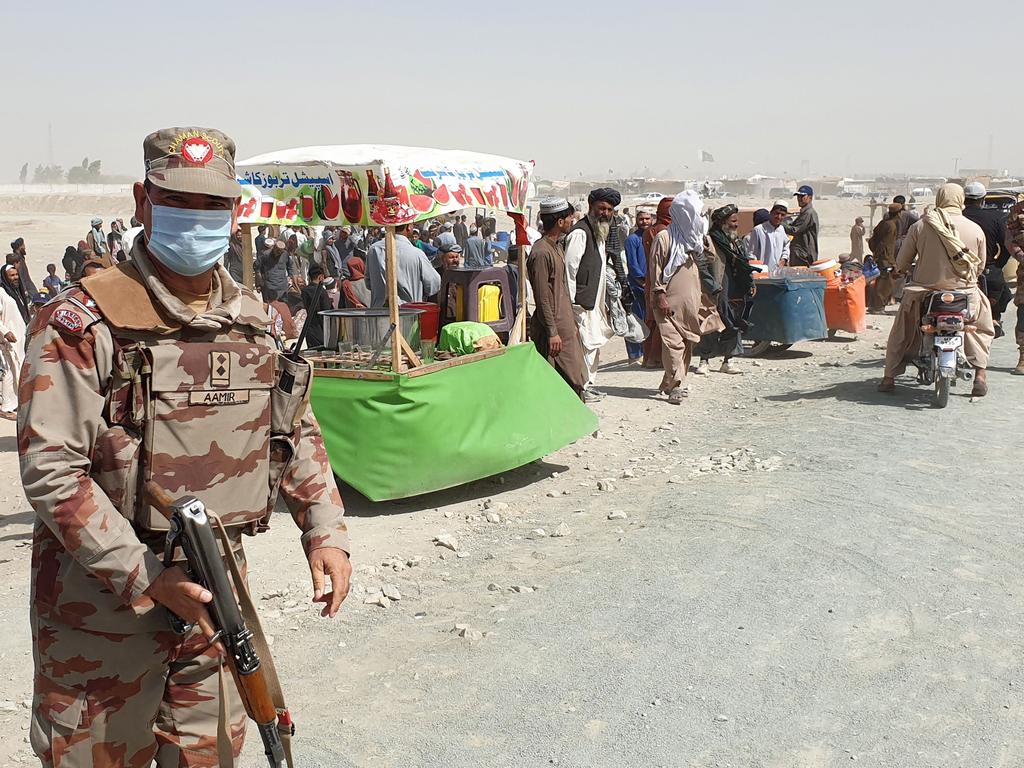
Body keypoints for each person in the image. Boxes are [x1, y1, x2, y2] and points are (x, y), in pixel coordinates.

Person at [18, 126, 351, 767]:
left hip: (216, 601)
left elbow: (293, 427)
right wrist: (147, 576)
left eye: (213, 206)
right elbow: (52, 472)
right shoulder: (83, 323)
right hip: (105, 614)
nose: (198, 220)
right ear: (143, 200)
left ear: (235, 211)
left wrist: (325, 531)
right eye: (180, 203)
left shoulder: (250, 318)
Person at [878, 183, 993, 397]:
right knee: (981, 327)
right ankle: (980, 375)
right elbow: (979, 265)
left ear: (940, 198)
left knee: (902, 330)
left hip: (924, 292)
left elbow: (902, 262)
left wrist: (899, 271)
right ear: (960, 200)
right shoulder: (974, 229)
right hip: (964, 292)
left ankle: (889, 377)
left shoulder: (922, 226)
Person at [648, 191, 723, 404]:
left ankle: (668, 381)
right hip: (668, 303)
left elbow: (710, 257)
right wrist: (659, 295)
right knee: (673, 345)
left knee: (686, 344)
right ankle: (676, 387)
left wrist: (703, 236)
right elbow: (655, 270)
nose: (699, 219)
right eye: (695, 214)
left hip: (690, 302)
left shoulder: (693, 240)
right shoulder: (664, 238)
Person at [527, 198, 587, 397]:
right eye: (569, 218)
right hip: (554, 328)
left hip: (565, 324)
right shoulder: (541, 253)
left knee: (575, 375)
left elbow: (562, 290)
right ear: (560, 222)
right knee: (563, 378)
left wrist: (572, 323)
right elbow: (543, 296)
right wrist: (552, 331)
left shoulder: (557, 247)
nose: (572, 221)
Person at [565, 188, 618, 399]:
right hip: (580, 303)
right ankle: (581, 387)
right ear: (591, 207)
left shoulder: (600, 233)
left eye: (609, 209)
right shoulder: (580, 233)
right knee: (584, 345)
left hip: (595, 302)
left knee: (593, 344)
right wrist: (570, 303)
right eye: (601, 208)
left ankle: (588, 384)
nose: (605, 213)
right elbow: (569, 271)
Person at [695, 204, 755, 375]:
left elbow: (745, 264)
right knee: (710, 322)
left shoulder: (737, 242)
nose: (736, 225)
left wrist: (750, 283)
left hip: (735, 289)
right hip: (715, 289)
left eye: (737, 221)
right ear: (722, 222)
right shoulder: (710, 241)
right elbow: (702, 265)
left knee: (733, 322)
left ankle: (729, 360)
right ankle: (704, 359)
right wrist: (711, 285)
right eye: (733, 221)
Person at [962, 182, 1012, 336]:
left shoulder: (955, 218)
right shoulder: (996, 218)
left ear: (964, 199)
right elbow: (1006, 247)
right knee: (1004, 295)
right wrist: (997, 265)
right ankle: (994, 319)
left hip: (955, 271)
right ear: (983, 199)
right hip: (988, 271)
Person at [366, 223, 441, 306]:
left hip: (379, 314)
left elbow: (368, 283)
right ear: (408, 227)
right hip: (409, 314)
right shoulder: (417, 254)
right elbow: (433, 285)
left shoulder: (373, 250)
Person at [641, 196, 674, 369]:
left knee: (653, 320)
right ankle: (654, 358)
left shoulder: (653, 231)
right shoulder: (662, 232)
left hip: (653, 280)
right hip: (660, 282)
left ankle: (651, 358)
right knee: (658, 321)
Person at [624, 210, 653, 363]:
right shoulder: (632, 239)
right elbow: (632, 264)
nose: (644, 222)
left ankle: (647, 351)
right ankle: (635, 355)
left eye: (647, 219)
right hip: (637, 285)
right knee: (636, 320)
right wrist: (642, 280)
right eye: (641, 219)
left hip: (651, 284)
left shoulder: (653, 237)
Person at [0, 269, 26, 420]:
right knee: (9, 370)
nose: (15, 277)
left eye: (16, 274)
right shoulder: (1, 293)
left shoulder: (15, 291)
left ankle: (15, 402)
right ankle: (6, 407)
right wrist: (5, 331)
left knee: (17, 368)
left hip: (19, 338)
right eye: (12, 275)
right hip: (9, 339)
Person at [867, 204, 901, 312]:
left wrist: (874, 252)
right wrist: (892, 262)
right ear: (899, 213)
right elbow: (885, 245)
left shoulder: (882, 223)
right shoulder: (891, 226)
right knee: (885, 283)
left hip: (880, 257)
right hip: (886, 259)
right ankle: (878, 307)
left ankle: (875, 305)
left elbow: (873, 240)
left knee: (880, 281)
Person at [747, 201, 791, 273]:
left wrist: (784, 259)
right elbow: (751, 254)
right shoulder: (759, 230)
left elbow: (786, 246)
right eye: (776, 213)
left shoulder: (781, 229)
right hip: (762, 273)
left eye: (782, 215)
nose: (779, 217)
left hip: (777, 273)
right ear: (771, 213)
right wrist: (758, 269)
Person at [784, 185, 819, 267]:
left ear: (810, 197)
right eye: (798, 196)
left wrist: (780, 223)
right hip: (801, 253)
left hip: (803, 254)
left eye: (802, 196)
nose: (799, 199)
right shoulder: (804, 212)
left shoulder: (808, 213)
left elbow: (795, 230)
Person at [301, 263, 333, 348]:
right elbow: (326, 312)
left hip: (309, 330)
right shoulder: (321, 292)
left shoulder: (305, 291)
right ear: (320, 277)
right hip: (321, 331)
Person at [257, 237, 294, 302]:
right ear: (274, 248)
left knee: (282, 306)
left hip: (282, 286)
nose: (278, 253)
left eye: (280, 252)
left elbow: (290, 266)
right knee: (270, 307)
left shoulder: (285, 254)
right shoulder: (265, 255)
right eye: (277, 251)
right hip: (269, 286)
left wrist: (290, 276)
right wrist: (259, 284)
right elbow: (257, 268)